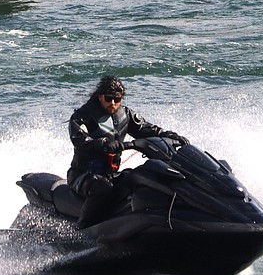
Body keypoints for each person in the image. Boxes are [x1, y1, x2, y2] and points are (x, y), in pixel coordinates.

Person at [66, 75, 186, 228]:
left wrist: (168, 135)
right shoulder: (82, 116)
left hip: (111, 174)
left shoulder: (126, 115)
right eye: (109, 99)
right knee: (102, 188)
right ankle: (81, 231)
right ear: (100, 96)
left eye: (117, 99)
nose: (113, 103)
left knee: (140, 178)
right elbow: (79, 140)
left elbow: (147, 129)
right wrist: (103, 143)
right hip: (82, 174)